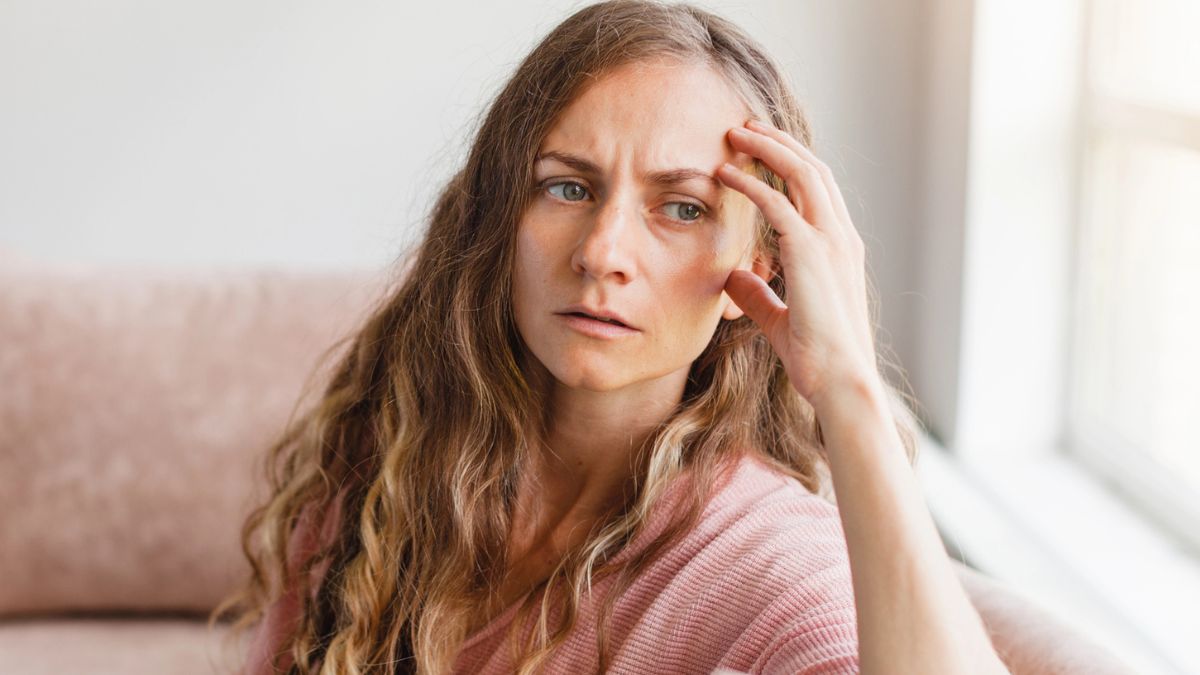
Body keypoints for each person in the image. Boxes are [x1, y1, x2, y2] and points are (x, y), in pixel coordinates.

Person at [213, 1, 1010, 673]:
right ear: (500, 216)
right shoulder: (394, 452)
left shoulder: (766, 566)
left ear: (760, 266)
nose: (601, 252)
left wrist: (849, 388)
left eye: (683, 207)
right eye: (567, 187)